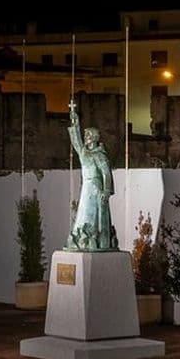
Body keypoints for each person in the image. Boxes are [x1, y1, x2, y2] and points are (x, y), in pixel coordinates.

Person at [65, 101, 118, 251]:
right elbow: (76, 141)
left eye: (88, 134)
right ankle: (82, 239)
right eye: (85, 134)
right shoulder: (84, 152)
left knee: (96, 214)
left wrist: (106, 191)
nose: (86, 136)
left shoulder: (100, 155)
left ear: (94, 137)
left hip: (96, 187)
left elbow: (106, 173)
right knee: (83, 212)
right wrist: (74, 121)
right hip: (87, 187)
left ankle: (97, 240)